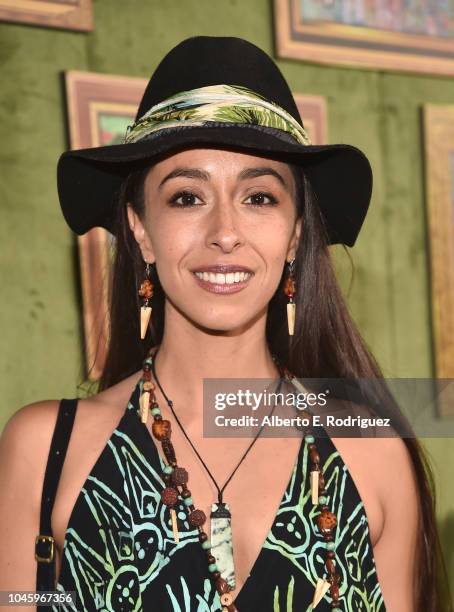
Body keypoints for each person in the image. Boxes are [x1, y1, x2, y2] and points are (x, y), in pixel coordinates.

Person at [0, 36, 451, 612]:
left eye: (259, 197)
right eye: (187, 197)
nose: (225, 232)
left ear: (294, 234)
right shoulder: (46, 451)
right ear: (140, 229)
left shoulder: (371, 453)